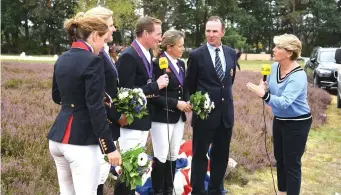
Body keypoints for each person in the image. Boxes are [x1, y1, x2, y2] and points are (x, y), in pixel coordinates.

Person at [48, 13, 122, 195]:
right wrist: (109, 147)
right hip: (81, 143)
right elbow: (95, 108)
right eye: (103, 41)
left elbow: (57, 96)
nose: (103, 46)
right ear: (95, 36)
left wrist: (80, 98)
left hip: (57, 139)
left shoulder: (62, 58)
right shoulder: (93, 61)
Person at [246, 34, 312, 195]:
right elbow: (272, 91)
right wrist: (265, 87)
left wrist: (263, 94)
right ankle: (282, 192)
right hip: (280, 120)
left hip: (297, 122)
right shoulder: (274, 67)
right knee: (280, 160)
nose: (273, 49)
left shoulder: (298, 76)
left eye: (278, 47)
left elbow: (284, 102)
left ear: (289, 53)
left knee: (292, 163)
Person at [115, 16, 169, 195]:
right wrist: (156, 85)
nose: (160, 38)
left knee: (135, 169)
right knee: (128, 170)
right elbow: (125, 92)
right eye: (158, 34)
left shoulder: (147, 53)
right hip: (131, 123)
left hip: (143, 120)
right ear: (145, 33)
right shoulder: (129, 56)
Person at [185, 16, 236, 195]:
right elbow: (189, 86)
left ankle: (216, 189)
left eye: (215, 31)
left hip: (225, 116)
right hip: (205, 116)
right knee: (199, 156)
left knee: (221, 156)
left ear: (222, 32)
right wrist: (196, 103)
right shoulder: (196, 55)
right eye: (208, 31)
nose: (211, 35)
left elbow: (228, 82)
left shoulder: (231, 53)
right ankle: (198, 191)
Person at [84, 7, 128, 195]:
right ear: (99, 28)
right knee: (96, 179)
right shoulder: (95, 55)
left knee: (101, 176)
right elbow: (98, 96)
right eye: (110, 25)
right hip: (102, 124)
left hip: (109, 123)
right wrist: (117, 116)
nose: (114, 29)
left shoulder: (103, 52)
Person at [150, 29, 191, 195]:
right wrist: (176, 104)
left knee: (173, 153)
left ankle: (169, 190)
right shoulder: (157, 64)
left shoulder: (181, 64)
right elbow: (153, 95)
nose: (183, 49)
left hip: (178, 118)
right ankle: (158, 191)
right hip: (162, 117)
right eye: (180, 46)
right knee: (161, 155)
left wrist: (188, 101)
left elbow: (185, 87)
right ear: (169, 47)